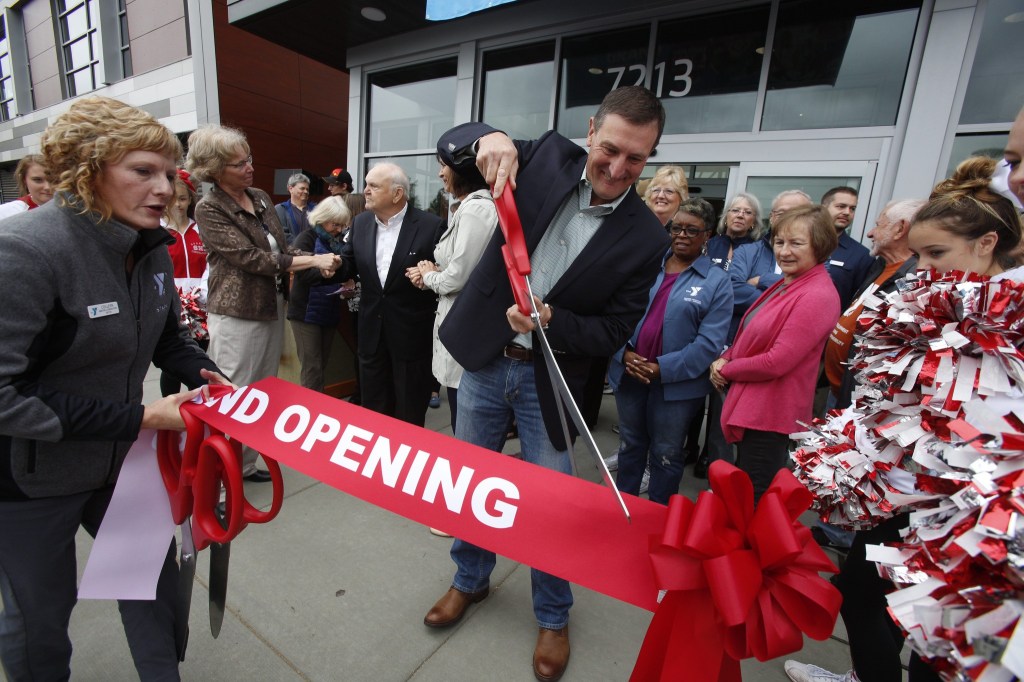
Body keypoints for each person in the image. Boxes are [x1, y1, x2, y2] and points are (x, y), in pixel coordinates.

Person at [424, 85, 670, 682]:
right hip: (486, 357)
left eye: (636, 158)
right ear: (590, 130)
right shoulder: (544, 157)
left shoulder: (647, 236)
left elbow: (614, 329)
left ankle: (554, 615)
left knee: (551, 503)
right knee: (474, 480)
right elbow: (454, 145)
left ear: (652, 156)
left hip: (552, 378)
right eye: (609, 148)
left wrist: (553, 320)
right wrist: (489, 138)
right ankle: (470, 579)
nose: (616, 168)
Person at [0, 95, 228, 681]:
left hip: (120, 462)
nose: (165, 189)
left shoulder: (147, 246)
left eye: (170, 174)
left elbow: (166, 338)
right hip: (31, 479)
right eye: (142, 171)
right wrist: (143, 420)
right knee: (40, 620)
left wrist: (209, 375)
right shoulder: (24, 252)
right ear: (86, 168)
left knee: (155, 588)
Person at [784, 157, 1022, 682]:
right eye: (919, 254)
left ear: (985, 244)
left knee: (924, 633)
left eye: (936, 254)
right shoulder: (951, 310)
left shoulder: (1005, 326)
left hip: (968, 518)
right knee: (888, 605)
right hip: (913, 498)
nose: (923, 268)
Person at [186, 124, 340, 482]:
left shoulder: (257, 196)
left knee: (261, 391)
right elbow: (252, 259)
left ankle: (246, 463)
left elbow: (283, 251)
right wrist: (313, 262)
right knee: (233, 392)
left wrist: (322, 257)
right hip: (238, 312)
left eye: (249, 159)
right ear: (214, 169)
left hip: (271, 305)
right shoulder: (208, 208)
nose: (250, 167)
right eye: (239, 163)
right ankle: (219, 476)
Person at [710, 204, 840, 502]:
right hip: (755, 407)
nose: (784, 251)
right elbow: (751, 333)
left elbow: (777, 360)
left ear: (820, 246)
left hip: (771, 414)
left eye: (796, 243)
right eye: (779, 242)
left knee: (753, 499)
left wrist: (725, 368)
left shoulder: (817, 294)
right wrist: (727, 356)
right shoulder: (788, 283)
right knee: (743, 492)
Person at [608, 199, 731, 504]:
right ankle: (624, 508)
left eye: (692, 230)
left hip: (675, 387)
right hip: (630, 373)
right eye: (677, 228)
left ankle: (660, 518)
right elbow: (614, 313)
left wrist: (661, 368)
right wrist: (622, 353)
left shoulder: (717, 282)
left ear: (708, 236)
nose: (682, 235)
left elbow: (708, 344)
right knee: (630, 445)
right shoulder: (647, 265)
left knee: (666, 453)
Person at [335, 162, 443, 427]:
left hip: (411, 339)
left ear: (397, 194)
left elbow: (445, 274)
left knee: (408, 417)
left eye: (373, 186)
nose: (365, 191)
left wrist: (430, 274)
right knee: (373, 415)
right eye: (366, 184)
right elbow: (349, 262)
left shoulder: (431, 226)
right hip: (371, 336)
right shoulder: (360, 223)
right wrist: (335, 266)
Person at [407, 129, 498, 433]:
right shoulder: (470, 208)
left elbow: (457, 277)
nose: (439, 173)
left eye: (443, 165)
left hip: (466, 330)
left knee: (466, 429)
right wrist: (432, 273)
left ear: (461, 169)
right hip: (463, 327)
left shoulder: (475, 210)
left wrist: (428, 274)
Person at [825, 199, 925, 408]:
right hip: (838, 390)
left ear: (900, 229)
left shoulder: (911, 281)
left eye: (879, 225)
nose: (870, 233)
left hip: (858, 400)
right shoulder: (880, 266)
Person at [287, 196, 352, 393]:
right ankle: (309, 411)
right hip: (306, 312)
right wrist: (327, 272)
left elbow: (346, 267)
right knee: (312, 367)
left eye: (342, 225)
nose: (339, 229)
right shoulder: (306, 238)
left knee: (321, 365)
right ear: (323, 218)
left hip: (328, 311)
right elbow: (302, 274)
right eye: (335, 224)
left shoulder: (337, 241)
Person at [161, 168, 208, 396]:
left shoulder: (200, 229)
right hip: (172, 306)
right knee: (172, 361)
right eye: (173, 198)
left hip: (201, 305)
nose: (178, 204)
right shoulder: (158, 231)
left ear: (190, 199)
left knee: (198, 359)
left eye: (183, 198)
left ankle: (198, 407)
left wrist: (203, 292)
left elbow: (211, 263)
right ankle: (170, 408)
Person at [821, 186, 873, 310]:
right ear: (823, 208)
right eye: (841, 206)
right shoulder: (801, 243)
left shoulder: (861, 255)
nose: (847, 212)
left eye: (852, 208)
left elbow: (858, 301)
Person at [707, 192, 761, 272]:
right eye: (735, 210)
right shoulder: (709, 245)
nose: (740, 215)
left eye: (748, 212)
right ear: (725, 217)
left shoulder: (757, 251)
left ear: (754, 222)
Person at [0, 153, 54, 220]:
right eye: (38, 180)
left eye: (53, 180)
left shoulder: (68, 210)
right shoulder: (6, 213)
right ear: (24, 180)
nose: (47, 187)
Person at [275, 172, 317, 244]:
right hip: (291, 252)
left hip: (314, 251)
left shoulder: (316, 209)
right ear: (291, 189)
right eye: (302, 188)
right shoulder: (280, 209)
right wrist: (300, 245)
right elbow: (282, 234)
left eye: (307, 189)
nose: (306, 191)